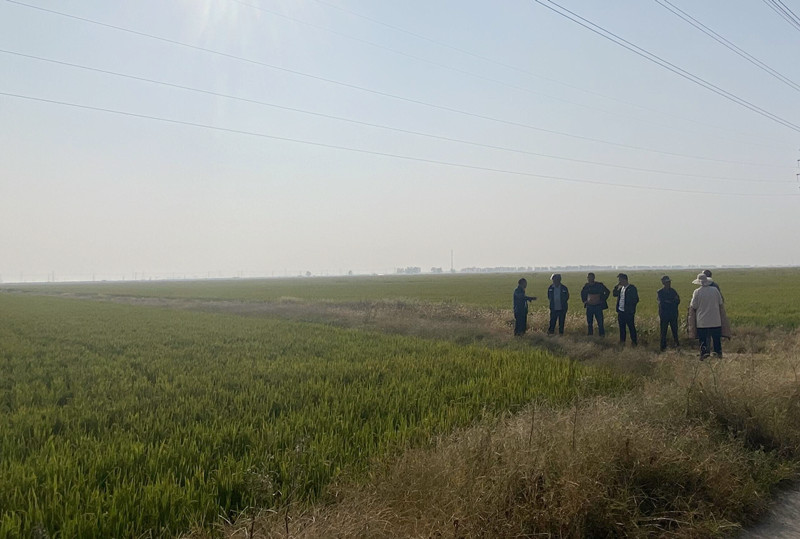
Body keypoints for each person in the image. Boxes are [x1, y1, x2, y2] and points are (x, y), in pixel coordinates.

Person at [688, 272, 727, 359]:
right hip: (715, 320)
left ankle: (704, 355)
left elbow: (694, 306)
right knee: (716, 340)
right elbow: (720, 302)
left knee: (703, 340)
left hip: (702, 321)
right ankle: (718, 354)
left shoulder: (697, 292)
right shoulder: (715, 290)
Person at [613, 273, 639, 346]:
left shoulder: (632, 288)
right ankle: (622, 342)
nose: (619, 281)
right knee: (622, 328)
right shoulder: (621, 288)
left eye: (620, 280)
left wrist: (630, 308)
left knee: (631, 327)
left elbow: (636, 299)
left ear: (625, 280)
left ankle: (634, 342)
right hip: (621, 311)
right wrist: (617, 286)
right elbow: (614, 294)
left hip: (628, 312)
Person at [581, 272, 610, 336]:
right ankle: (590, 336)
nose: (589, 279)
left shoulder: (599, 285)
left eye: (590, 277)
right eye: (588, 277)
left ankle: (601, 336)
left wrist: (602, 300)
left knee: (600, 323)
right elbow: (582, 293)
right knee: (589, 323)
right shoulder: (586, 286)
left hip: (598, 306)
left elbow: (607, 292)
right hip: (589, 306)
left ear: (594, 277)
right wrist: (585, 301)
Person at [657, 275, 680, 351]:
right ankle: (662, 347)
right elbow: (662, 303)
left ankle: (677, 345)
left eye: (669, 282)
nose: (669, 283)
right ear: (663, 283)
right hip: (664, 315)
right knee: (663, 332)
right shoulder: (660, 292)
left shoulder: (673, 291)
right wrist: (672, 302)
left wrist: (669, 302)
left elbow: (678, 301)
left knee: (675, 331)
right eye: (667, 282)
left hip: (673, 314)